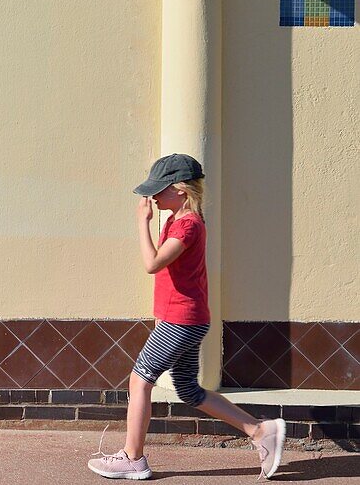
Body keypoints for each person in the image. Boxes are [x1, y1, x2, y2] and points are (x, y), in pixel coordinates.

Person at [87, 154, 286, 480]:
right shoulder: (177, 221)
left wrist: (142, 222)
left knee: (140, 380)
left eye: (160, 190)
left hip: (181, 321)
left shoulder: (189, 226)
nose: (152, 197)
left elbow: (152, 264)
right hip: (183, 319)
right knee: (190, 391)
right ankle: (261, 432)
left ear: (181, 190)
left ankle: (132, 458)